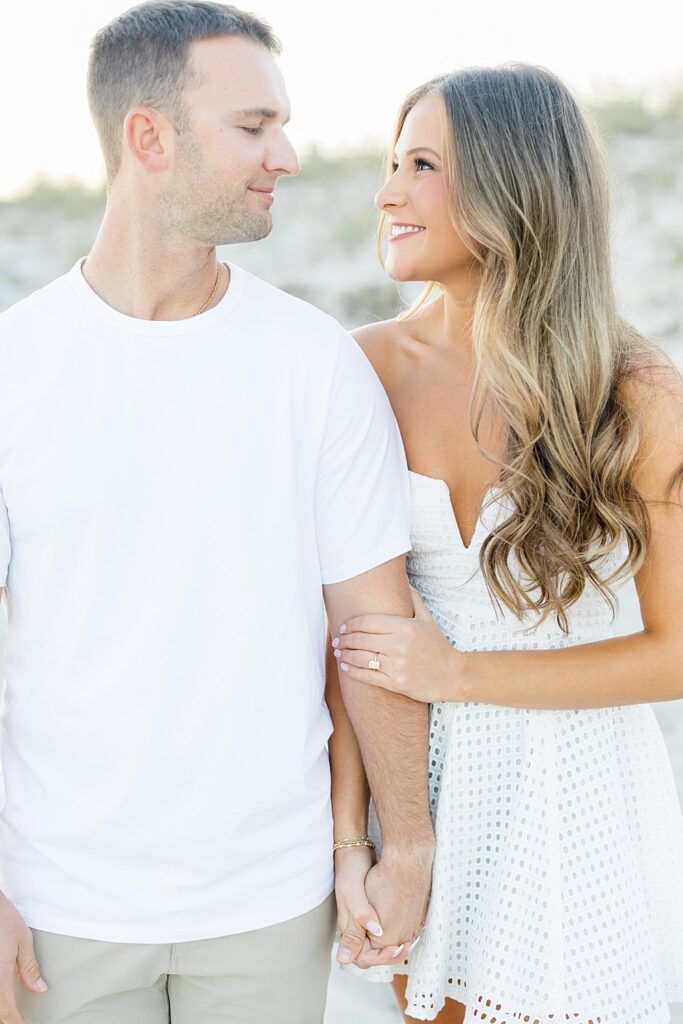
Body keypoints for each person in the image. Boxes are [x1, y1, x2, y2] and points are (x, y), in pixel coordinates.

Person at [0, 3, 433, 1022]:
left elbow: (372, 631)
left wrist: (394, 843)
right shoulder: (14, 368)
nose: (284, 154)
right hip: (63, 907)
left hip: (270, 904)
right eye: (252, 127)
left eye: (279, 125)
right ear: (147, 136)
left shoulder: (313, 362)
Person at [329, 64, 683, 1023]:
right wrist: (354, 843)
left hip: (576, 796)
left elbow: (675, 653)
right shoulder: (356, 372)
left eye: (421, 164)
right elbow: (349, 639)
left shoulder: (635, 390)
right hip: (420, 783)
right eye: (391, 161)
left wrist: (464, 674)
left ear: (512, 185)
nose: (387, 191)